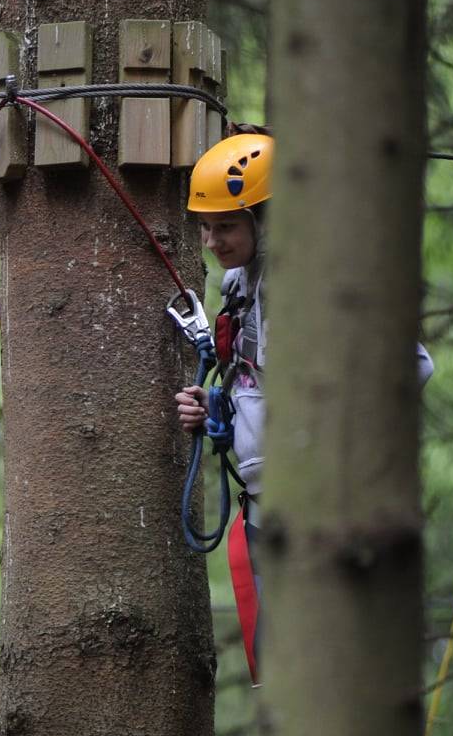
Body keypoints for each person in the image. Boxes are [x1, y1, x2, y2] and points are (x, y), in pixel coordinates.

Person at [175, 131, 434, 678]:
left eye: (226, 224)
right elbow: (259, 383)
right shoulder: (240, 285)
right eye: (206, 225)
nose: (212, 239)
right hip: (267, 512)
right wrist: (217, 405)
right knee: (283, 676)